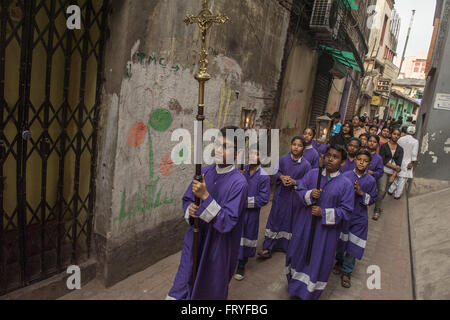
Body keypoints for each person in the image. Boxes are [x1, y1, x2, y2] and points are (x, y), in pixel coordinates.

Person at [166, 126, 249, 300]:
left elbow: (227, 222)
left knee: (208, 290)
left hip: (218, 247)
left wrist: (205, 196)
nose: (218, 149)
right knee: (183, 282)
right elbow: (187, 198)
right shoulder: (204, 172)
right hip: (195, 239)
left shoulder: (239, 184)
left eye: (225, 146)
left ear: (238, 152)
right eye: (217, 144)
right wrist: (190, 209)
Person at [286, 144, 354, 300]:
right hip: (305, 225)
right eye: (328, 155)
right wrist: (310, 194)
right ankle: (295, 288)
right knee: (298, 254)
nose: (330, 159)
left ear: (342, 162)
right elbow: (300, 190)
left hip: (325, 233)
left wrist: (323, 213)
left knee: (317, 260)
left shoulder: (346, 184)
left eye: (335, 157)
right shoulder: (312, 174)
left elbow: (346, 211)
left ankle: (309, 293)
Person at [259, 136, 311, 259]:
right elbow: (275, 172)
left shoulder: (306, 165)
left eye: (299, 145)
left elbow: (307, 182)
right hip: (281, 196)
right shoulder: (283, 160)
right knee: (275, 219)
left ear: (303, 148)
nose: (296, 147)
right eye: (294, 144)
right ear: (290, 145)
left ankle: (285, 246)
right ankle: (268, 247)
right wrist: (281, 177)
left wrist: (295, 182)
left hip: (294, 198)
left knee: (289, 221)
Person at [334, 150, 378, 288]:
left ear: (369, 164)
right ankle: (339, 261)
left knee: (353, 245)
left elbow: (372, 199)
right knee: (341, 241)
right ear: (355, 160)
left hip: (359, 218)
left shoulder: (370, 180)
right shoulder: (346, 175)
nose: (361, 162)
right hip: (345, 216)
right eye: (359, 159)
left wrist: (361, 193)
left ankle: (347, 272)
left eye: (365, 161)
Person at [234, 144, 271, 280]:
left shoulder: (264, 176)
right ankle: (232, 260)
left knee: (246, 236)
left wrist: (244, 202)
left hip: (251, 214)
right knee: (235, 235)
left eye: (256, 154)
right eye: (250, 154)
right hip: (237, 212)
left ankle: (242, 264)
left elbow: (264, 199)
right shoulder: (241, 171)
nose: (252, 157)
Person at [372, 128, 404, 221]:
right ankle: (376, 211)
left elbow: (399, 163)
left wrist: (394, 175)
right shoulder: (385, 146)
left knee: (384, 192)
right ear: (391, 134)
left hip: (392, 174)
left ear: (399, 136)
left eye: (398, 135)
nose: (396, 136)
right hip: (383, 171)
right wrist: (395, 167)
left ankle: (378, 205)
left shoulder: (400, 149)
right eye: (394, 134)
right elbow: (383, 160)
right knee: (381, 190)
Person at [387, 126, 419, 199]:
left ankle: (390, 190)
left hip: (398, 161)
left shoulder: (400, 139)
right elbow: (414, 153)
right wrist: (412, 163)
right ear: (414, 133)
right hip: (408, 162)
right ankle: (397, 195)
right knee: (402, 179)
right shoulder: (415, 141)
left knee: (397, 177)